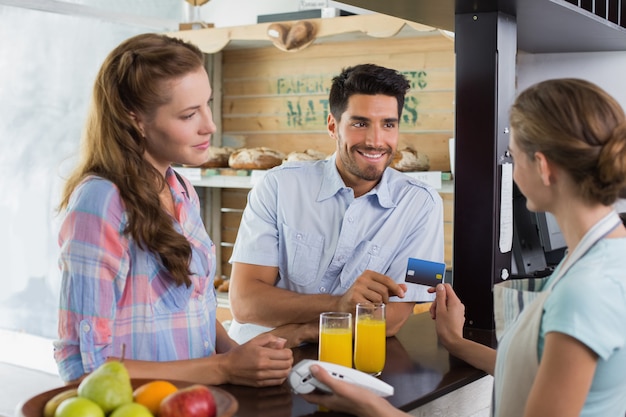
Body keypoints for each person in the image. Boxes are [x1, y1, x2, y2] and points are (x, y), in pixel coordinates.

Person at [301, 78, 626, 416]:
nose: (511, 172)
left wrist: (373, 408)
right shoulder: (602, 254)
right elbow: (542, 373)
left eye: (512, 157)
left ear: (542, 167)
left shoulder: (587, 288)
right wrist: (457, 343)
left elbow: (406, 306)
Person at [53, 33, 293, 387]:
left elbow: (194, 305)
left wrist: (237, 356)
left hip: (195, 402)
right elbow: (84, 364)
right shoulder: (101, 202)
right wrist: (224, 368)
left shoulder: (181, 190)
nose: (210, 126)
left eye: (207, 104)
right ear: (135, 119)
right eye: (188, 114)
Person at [227, 63, 445, 347]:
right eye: (360, 123)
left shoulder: (425, 205)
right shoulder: (277, 186)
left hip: (351, 364)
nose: (376, 140)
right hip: (256, 360)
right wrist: (341, 305)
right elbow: (244, 303)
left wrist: (303, 331)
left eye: (388, 124)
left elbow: (393, 319)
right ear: (333, 125)